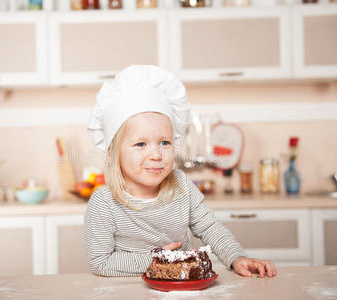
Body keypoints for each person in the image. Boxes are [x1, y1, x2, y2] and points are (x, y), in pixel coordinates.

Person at [85, 65, 276, 279]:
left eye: (164, 142)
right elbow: (100, 262)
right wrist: (158, 260)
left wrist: (236, 258)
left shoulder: (182, 185)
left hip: (181, 289)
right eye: (140, 144)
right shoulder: (104, 203)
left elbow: (210, 227)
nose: (156, 155)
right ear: (112, 153)